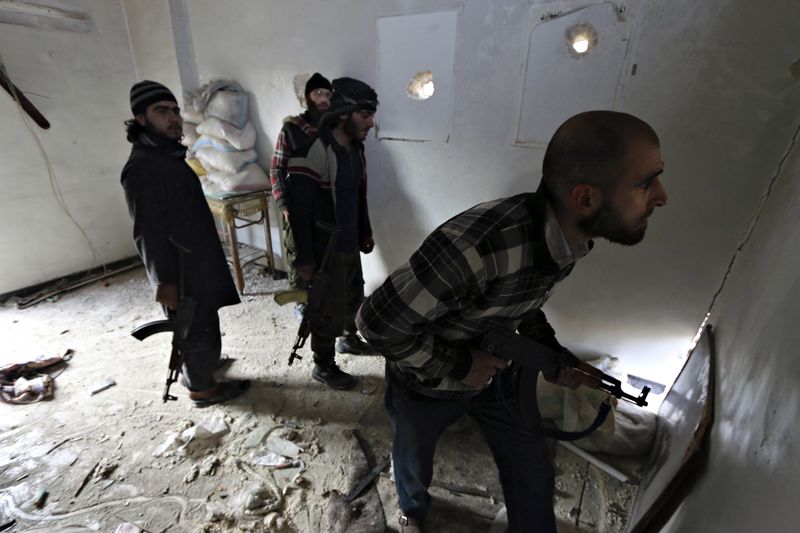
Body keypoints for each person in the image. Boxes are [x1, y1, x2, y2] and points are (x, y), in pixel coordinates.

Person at [356, 110, 668, 532]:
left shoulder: (570, 241)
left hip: (495, 379)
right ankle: (413, 513)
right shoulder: (474, 248)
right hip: (424, 384)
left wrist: (554, 356)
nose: (661, 195)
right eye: (645, 182)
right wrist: (462, 365)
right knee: (413, 461)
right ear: (587, 199)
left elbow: (519, 299)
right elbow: (376, 323)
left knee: (533, 472)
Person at [121, 80, 250, 407]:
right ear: (140, 118)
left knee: (203, 323)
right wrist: (163, 280)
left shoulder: (166, 155)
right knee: (196, 327)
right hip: (180, 268)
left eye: (175, 110)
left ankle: (200, 369)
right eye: (161, 111)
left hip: (196, 260)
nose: (173, 118)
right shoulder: (142, 167)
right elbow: (147, 232)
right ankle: (201, 388)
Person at [286, 77, 379, 390]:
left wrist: (365, 232)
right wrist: (306, 259)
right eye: (365, 114)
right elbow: (298, 213)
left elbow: (359, 194)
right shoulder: (311, 152)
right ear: (344, 114)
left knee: (353, 294)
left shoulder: (355, 150)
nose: (371, 121)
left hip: (349, 242)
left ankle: (349, 340)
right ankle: (322, 365)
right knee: (324, 308)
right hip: (324, 249)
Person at [269, 73, 332, 320]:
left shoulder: (333, 129)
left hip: (325, 207)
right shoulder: (292, 129)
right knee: (298, 254)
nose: (324, 99)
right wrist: (284, 203)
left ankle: (324, 299)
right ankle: (300, 303)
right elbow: (276, 168)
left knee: (323, 255)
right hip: (297, 205)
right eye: (318, 93)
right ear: (307, 97)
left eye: (328, 94)